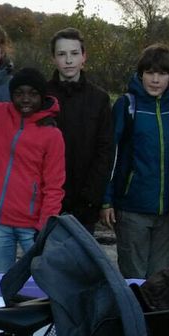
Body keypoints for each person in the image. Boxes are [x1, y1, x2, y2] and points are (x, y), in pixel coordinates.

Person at [102, 44, 169, 279]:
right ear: (141, 74)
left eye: (162, 73)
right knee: (134, 279)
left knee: (159, 279)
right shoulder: (127, 105)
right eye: (150, 73)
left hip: (168, 212)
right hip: (132, 208)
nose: (155, 80)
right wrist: (106, 201)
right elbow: (111, 155)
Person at [0, 67, 65, 274]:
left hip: (31, 226)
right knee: (1, 282)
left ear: (42, 96)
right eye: (19, 93)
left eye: (33, 94)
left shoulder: (52, 135)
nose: (25, 99)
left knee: (41, 282)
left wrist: (44, 226)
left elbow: (54, 186)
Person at [44, 28, 114, 233]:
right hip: (46, 200)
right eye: (61, 54)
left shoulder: (99, 99)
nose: (68, 60)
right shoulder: (42, 96)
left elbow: (105, 150)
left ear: (84, 57)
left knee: (80, 253)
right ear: (53, 58)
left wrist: (92, 197)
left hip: (85, 203)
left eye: (74, 53)